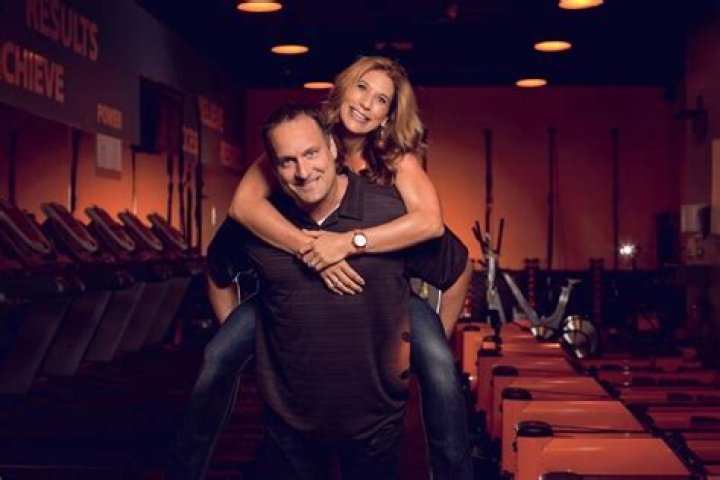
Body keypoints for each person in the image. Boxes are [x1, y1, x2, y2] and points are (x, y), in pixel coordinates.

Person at [173, 57, 473, 479]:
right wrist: (311, 248)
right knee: (218, 355)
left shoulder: (394, 160)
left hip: (386, 286)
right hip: (291, 279)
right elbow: (243, 207)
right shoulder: (302, 134)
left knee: (439, 367)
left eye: (381, 100)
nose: (366, 104)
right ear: (342, 88)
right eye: (362, 88)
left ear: (388, 116)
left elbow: (430, 225)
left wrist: (348, 244)